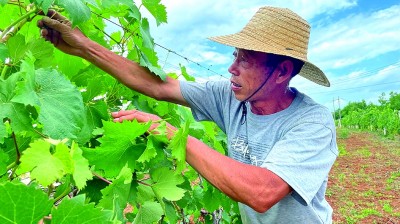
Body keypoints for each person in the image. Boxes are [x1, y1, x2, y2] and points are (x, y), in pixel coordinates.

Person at [38, 6, 338, 223]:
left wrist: (171, 133)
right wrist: (83, 47)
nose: (232, 68)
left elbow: (262, 192)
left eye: (246, 60)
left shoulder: (312, 122)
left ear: (282, 72)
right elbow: (157, 85)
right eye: (235, 55)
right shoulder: (229, 97)